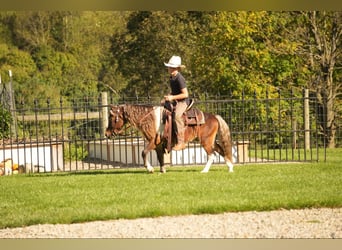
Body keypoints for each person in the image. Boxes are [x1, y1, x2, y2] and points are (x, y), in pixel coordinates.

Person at [163, 55, 190, 151]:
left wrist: (172, 97)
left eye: (170, 67)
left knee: (177, 116)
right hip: (176, 100)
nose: (169, 68)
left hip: (183, 102)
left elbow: (185, 94)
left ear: (176, 68)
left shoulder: (179, 78)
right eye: (169, 67)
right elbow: (175, 92)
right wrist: (168, 97)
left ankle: (181, 142)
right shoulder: (172, 78)